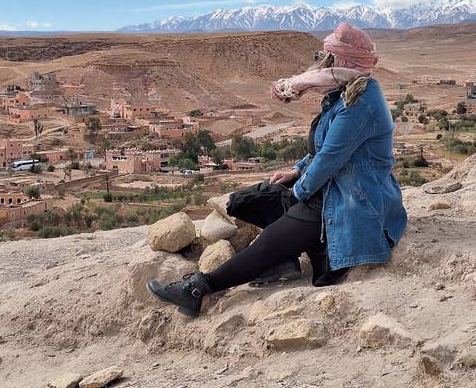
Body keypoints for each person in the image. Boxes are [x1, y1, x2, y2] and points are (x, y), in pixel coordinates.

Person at [147, 22, 408, 317]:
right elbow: (320, 151)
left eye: (329, 57)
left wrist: (297, 194)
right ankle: (285, 261)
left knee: (273, 237)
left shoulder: (360, 103)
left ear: (342, 61)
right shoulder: (344, 93)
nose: (322, 63)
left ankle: (198, 288)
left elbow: (329, 159)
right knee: (246, 201)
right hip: (331, 188)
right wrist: (296, 172)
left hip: (351, 202)